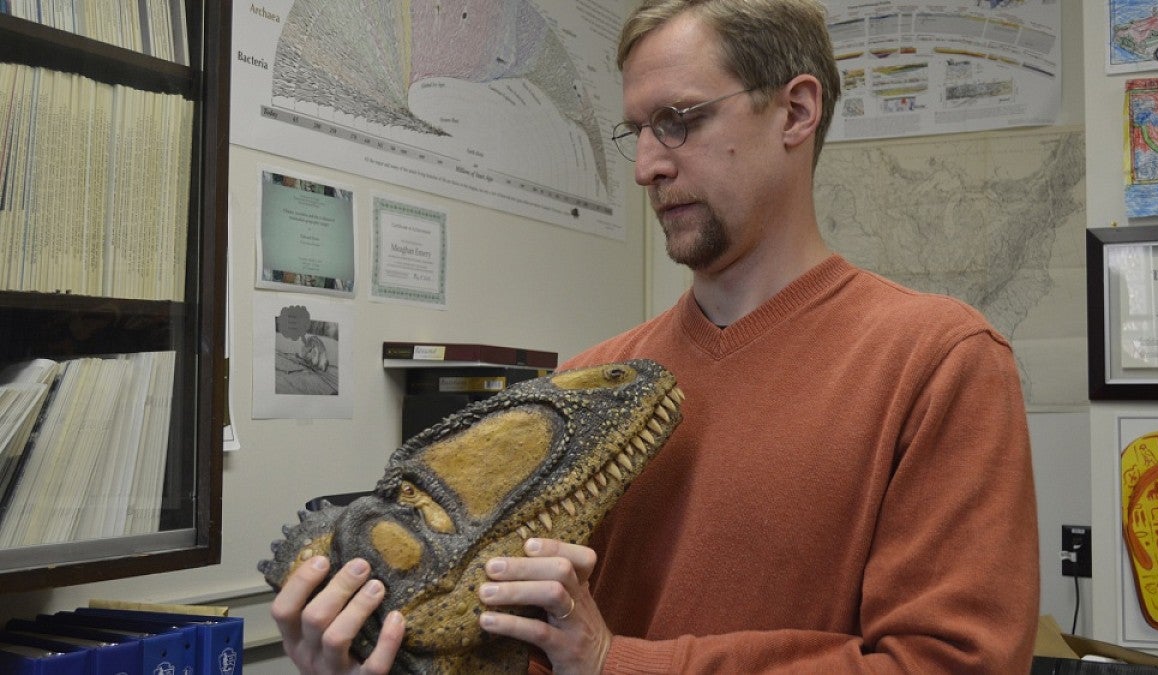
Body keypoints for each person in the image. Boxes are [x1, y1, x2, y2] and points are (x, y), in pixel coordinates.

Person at [270, 0, 1040, 672]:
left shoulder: (939, 361)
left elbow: (945, 664)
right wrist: (378, 655)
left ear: (797, 113)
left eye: (679, 120)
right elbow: (516, 647)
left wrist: (616, 662)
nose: (645, 165)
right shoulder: (592, 383)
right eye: (635, 129)